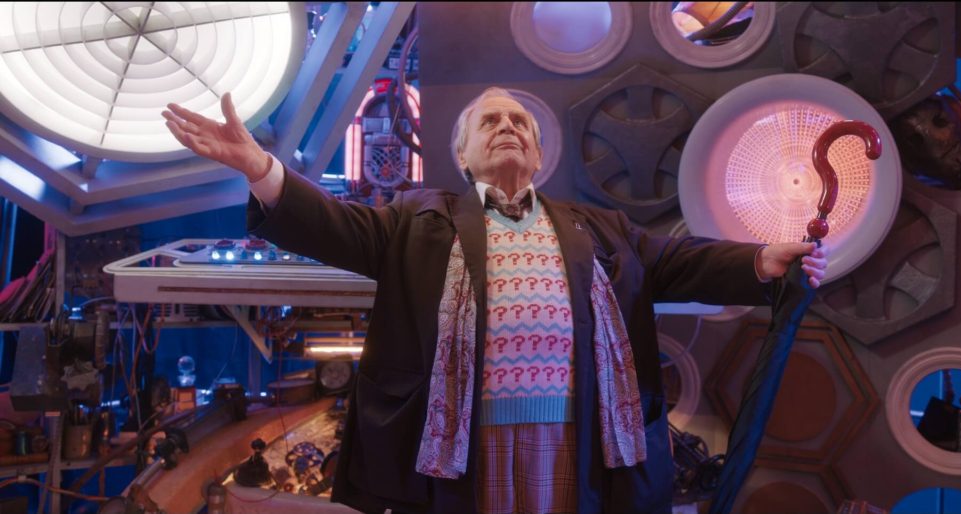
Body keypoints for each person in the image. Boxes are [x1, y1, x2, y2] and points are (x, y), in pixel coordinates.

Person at [163, 87, 829, 514]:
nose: (507, 127)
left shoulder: (600, 227)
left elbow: (677, 262)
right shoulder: (416, 220)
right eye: (490, 121)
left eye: (519, 122)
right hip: (458, 444)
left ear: (537, 154)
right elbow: (333, 224)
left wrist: (760, 260)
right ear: (463, 153)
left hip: (577, 439)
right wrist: (260, 169)